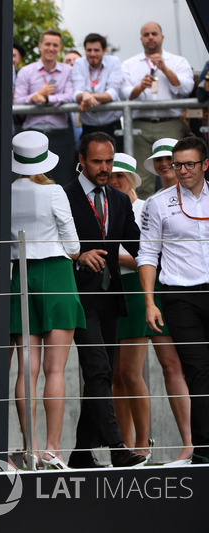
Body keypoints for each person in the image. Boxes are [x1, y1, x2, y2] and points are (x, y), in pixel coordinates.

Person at [62, 132, 147, 468]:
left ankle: (82, 452)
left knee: (104, 372)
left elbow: (140, 247)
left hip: (112, 297)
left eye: (109, 161)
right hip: (79, 296)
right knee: (97, 368)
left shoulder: (120, 199)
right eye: (97, 161)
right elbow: (50, 243)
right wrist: (78, 255)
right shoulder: (64, 196)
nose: (104, 168)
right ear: (81, 160)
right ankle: (116, 446)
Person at [9, 131, 85, 470]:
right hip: (55, 273)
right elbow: (73, 245)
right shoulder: (53, 191)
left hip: (19, 275)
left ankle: (32, 448)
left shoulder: (6, 192)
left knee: (28, 368)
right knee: (56, 369)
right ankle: (53, 449)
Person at [138, 136, 209, 464]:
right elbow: (148, 254)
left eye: (189, 164)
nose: (181, 170)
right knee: (197, 371)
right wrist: (150, 302)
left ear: (205, 164)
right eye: (177, 164)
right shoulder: (158, 203)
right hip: (180, 296)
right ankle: (203, 451)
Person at [107, 153, 154, 461]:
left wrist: (110, 255)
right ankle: (123, 447)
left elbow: (146, 256)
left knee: (131, 372)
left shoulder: (143, 208)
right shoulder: (105, 208)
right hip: (111, 289)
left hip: (136, 289)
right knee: (115, 376)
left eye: (119, 176)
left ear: (132, 180)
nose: (114, 181)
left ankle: (143, 443)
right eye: (111, 176)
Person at [122, 22, 194, 200]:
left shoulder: (177, 61)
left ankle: (182, 213)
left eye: (154, 33)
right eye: (146, 34)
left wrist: (165, 70)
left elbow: (186, 87)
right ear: (141, 39)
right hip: (140, 126)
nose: (150, 37)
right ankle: (142, 220)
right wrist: (140, 87)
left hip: (170, 124)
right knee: (141, 179)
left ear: (162, 37)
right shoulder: (130, 64)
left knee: (178, 172)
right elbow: (122, 93)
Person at [14, 29, 75, 185]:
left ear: (60, 48)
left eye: (55, 45)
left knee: (63, 181)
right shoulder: (27, 71)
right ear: (40, 46)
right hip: (32, 134)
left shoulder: (68, 71)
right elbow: (16, 101)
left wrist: (47, 98)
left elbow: (70, 96)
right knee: (30, 182)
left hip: (59, 134)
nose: (51, 48)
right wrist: (33, 97)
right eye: (47, 44)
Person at [71, 33, 124, 148]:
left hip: (112, 126)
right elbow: (76, 91)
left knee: (116, 164)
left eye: (96, 50)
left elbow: (112, 93)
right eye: (89, 50)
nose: (92, 54)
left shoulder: (114, 61)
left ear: (104, 50)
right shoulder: (79, 63)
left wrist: (89, 97)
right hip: (88, 127)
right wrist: (84, 95)